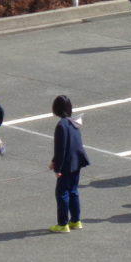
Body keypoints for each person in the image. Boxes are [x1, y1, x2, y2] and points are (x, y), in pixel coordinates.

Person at [49, 95, 90, 233]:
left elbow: (61, 148)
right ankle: (76, 220)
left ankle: (62, 223)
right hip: (76, 162)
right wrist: (54, 161)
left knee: (62, 193)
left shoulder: (61, 125)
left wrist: (57, 168)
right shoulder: (74, 122)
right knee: (73, 191)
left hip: (66, 164)